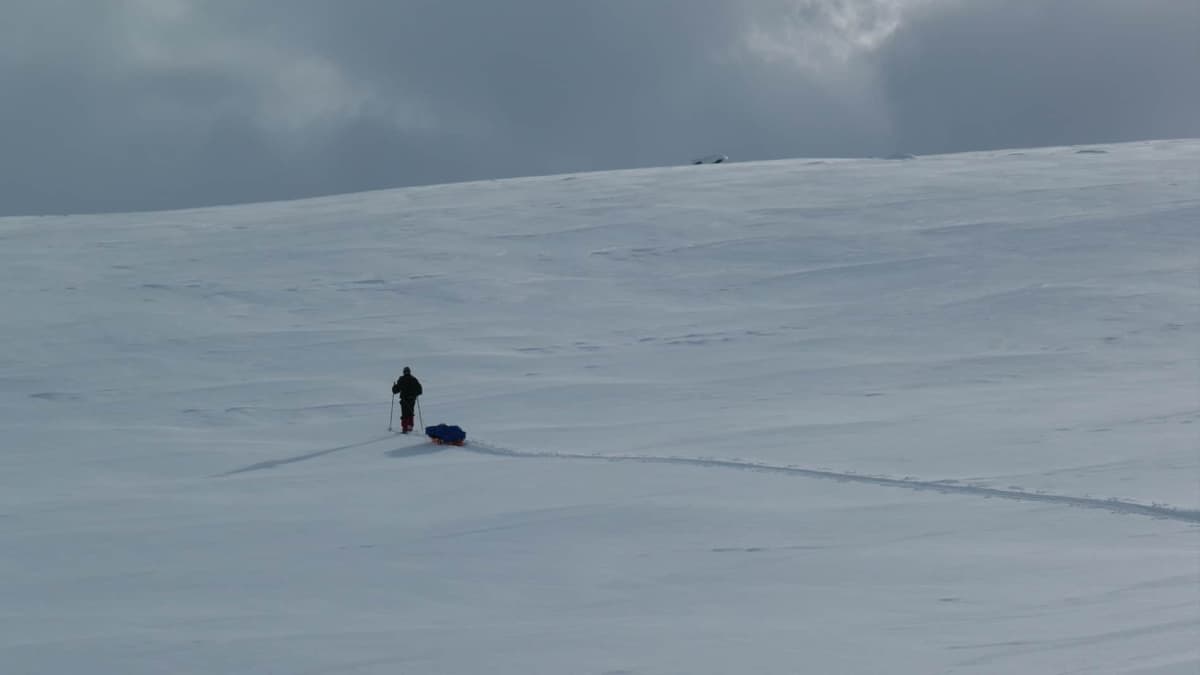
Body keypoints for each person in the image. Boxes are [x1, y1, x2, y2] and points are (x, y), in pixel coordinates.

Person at [391, 367, 423, 433]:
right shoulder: (414, 379)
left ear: (404, 372)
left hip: (404, 400)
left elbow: (395, 390)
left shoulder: (401, 379)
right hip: (412, 399)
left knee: (404, 414)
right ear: (409, 372)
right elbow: (420, 391)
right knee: (411, 413)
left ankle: (405, 428)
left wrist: (394, 387)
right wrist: (415, 393)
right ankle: (410, 426)